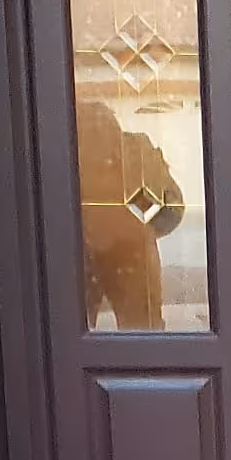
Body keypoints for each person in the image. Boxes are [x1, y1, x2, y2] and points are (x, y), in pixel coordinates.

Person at [74, 99, 182, 330]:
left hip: (130, 256)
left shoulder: (136, 153)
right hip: (85, 253)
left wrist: (137, 229)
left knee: (143, 335)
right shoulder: (67, 156)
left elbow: (172, 207)